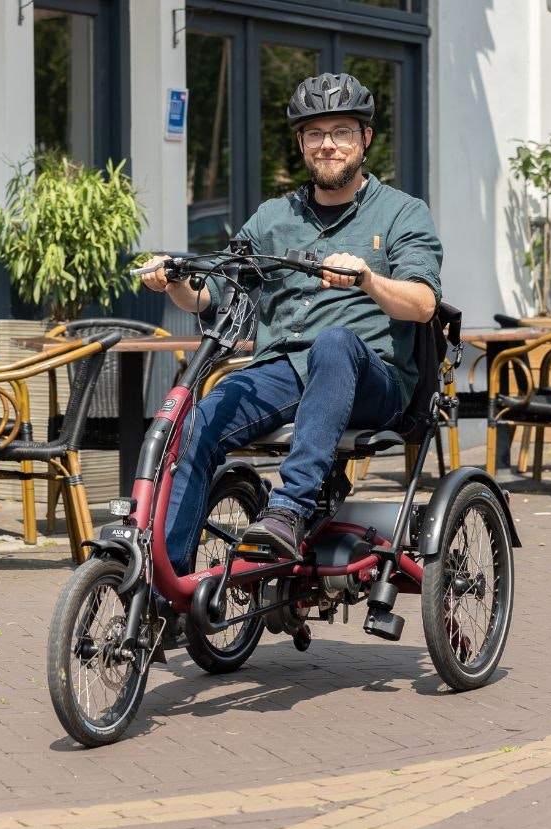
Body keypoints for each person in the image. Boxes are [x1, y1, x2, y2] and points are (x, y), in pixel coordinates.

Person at [140, 72, 443, 573]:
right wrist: (171, 282)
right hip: (284, 371)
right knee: (200, 420)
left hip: (375, 379)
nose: (328, 145)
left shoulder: (401, 214)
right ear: (301, 143)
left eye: (341, 132)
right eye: (315, 134)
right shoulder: (272, 218)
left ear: (365, 139)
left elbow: (423, 303)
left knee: (334, 344)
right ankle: (164, 584)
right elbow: (212, 293)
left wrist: (368, 277)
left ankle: (288, 508)